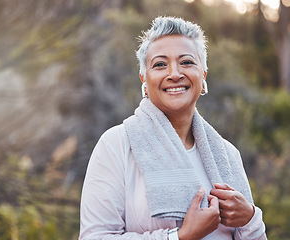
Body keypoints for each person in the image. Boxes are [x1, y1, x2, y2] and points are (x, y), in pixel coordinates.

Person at [79, 16, 267, 240]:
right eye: (160, 64)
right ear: (144, 80)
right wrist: (179, 236)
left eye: (186, 62)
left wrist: (250, 218)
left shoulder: (227, 155)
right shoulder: (116, 145)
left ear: (203, 75)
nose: (175, 74)